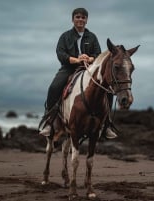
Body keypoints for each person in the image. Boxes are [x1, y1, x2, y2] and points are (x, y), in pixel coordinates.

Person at [39, 7, 117, 139]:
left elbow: (98, 54)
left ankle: (107, 125)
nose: (80, 19)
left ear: (86, 20)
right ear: (73, 19)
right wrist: (76, 59)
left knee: (107, 89)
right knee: (54, 87)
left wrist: (90, 58)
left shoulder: (92, 37)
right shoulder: (65, 36)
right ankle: (49, 122)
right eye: (78, 17)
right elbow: (60, 53)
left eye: (83, 17)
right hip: (69, 68)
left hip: (89, 69)